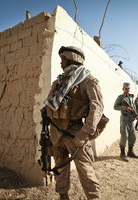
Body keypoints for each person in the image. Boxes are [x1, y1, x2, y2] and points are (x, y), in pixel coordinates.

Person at [44, 46, 103, 200]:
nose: (61, 63)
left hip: (76, 133)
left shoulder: (88, 80)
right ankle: (63, 196)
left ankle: (94, 197)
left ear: (72, 59)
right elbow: (50, 103)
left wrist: (84, 134)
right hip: (57, 133)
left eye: (63, 59)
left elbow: (97, 108)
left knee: (85, 171)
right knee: (60, 168)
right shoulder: (59, 81)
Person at [114, 82, 138, 162]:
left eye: (128, 88)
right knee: (124, 135)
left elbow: (134, 107)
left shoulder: (131, 98)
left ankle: (130, 151)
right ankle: (122, 153)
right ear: (123, 89)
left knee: (132, 135)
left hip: (131, 119)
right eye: (126, 88)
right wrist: (124, 108)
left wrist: (136, 115)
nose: (127, 90)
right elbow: (115, 107)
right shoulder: (120, 97)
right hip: (124, 118)